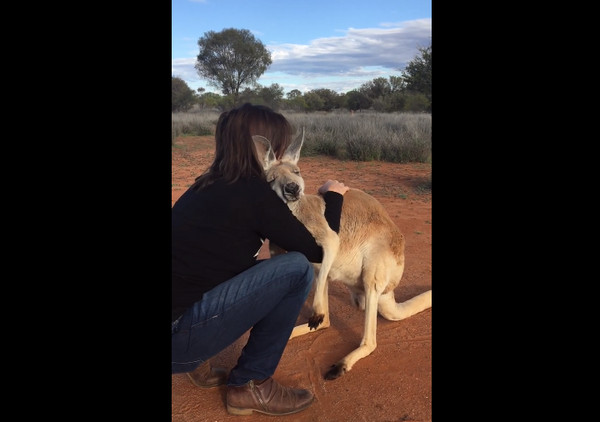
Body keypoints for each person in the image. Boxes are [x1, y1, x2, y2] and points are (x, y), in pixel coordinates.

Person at [172, 102, 349, 416]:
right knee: (294, 270)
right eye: (276, 144)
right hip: (179, 336)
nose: (280, 152)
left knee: (236, 269)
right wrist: (333, 197)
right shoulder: (254, 194)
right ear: (260, 147)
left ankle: (197, 359)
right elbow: (315, 251)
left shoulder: (207, 183)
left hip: (179, 317)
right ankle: (251, 384)